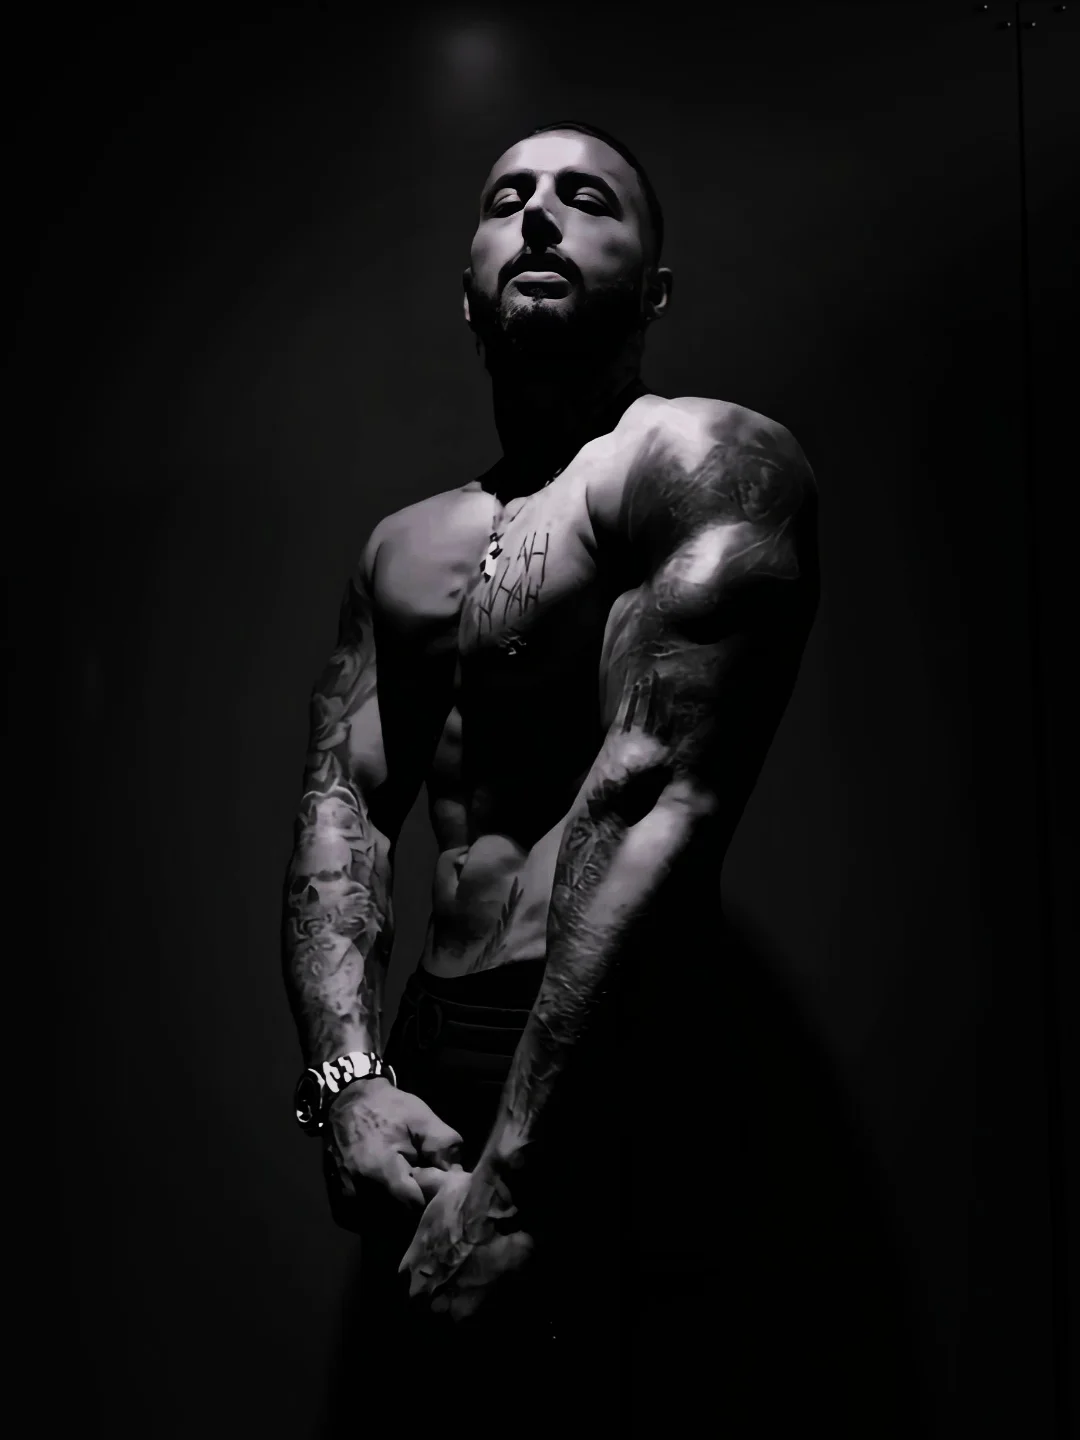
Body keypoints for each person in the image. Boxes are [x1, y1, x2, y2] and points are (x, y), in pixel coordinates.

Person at [282, 121, 820, 1433]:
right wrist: (350, 1085)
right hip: (430, 1053)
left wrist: (516, 1179)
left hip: (614, 1046)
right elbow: (344, 806)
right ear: (468, 284)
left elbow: (652, 793)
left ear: (655, 286)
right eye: (507, 198)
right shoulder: (401, 548)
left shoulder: (700, 463)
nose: (538, 216)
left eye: (587, 198)